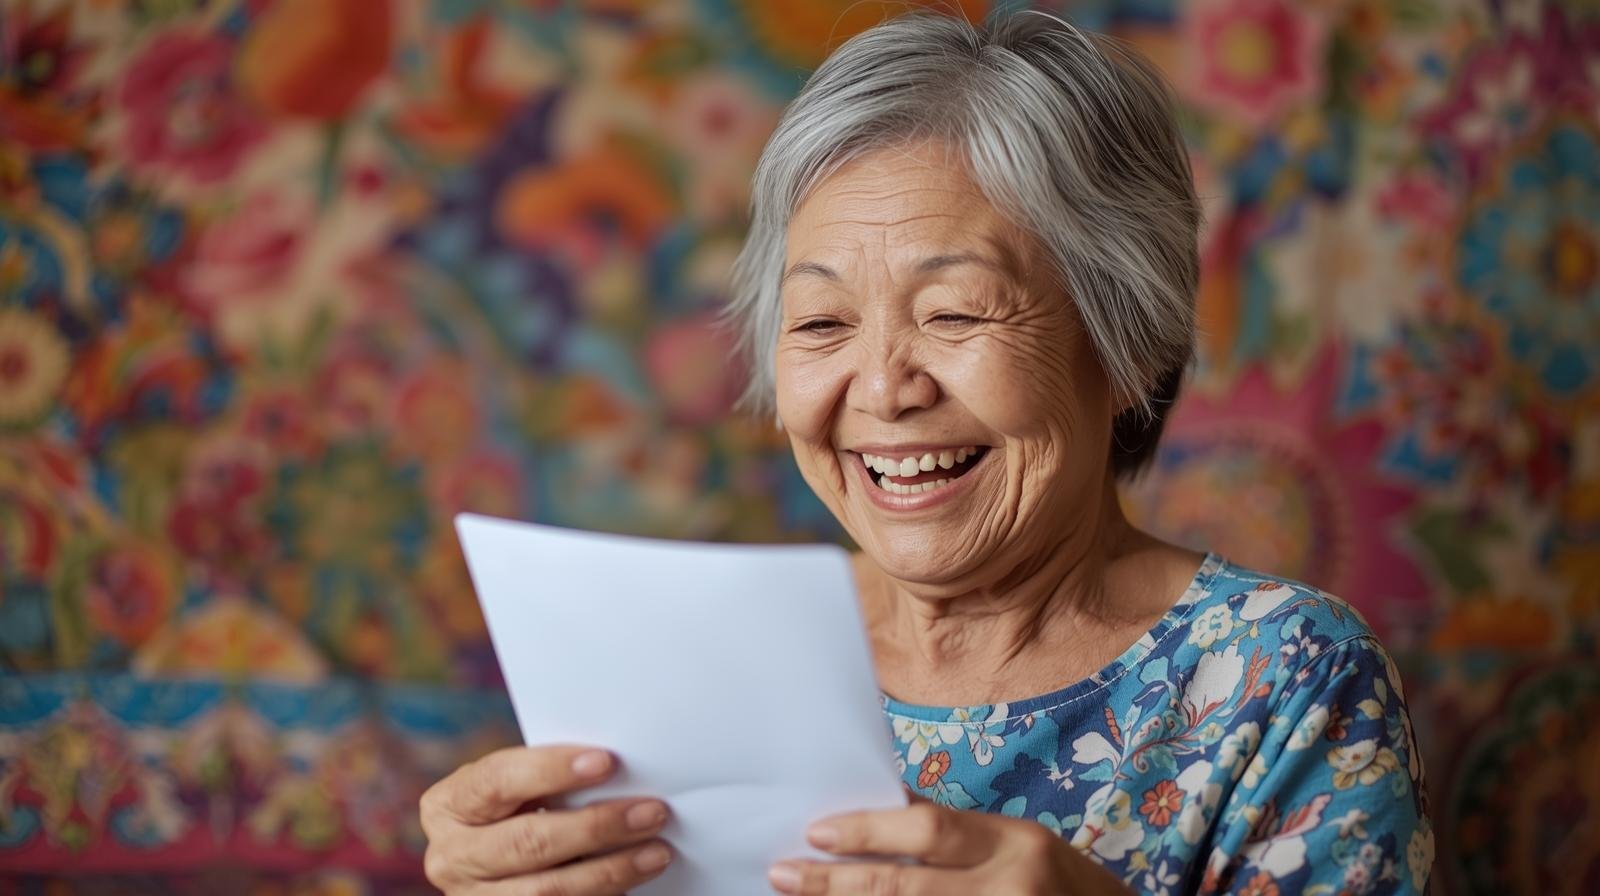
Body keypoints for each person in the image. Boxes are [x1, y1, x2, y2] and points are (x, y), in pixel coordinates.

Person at [419, 10, 1432, 895]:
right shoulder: (694, 653)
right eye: (820, 324)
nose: (882, 388)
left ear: (1131, 347)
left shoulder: (1285, 675)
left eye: (954, 312)